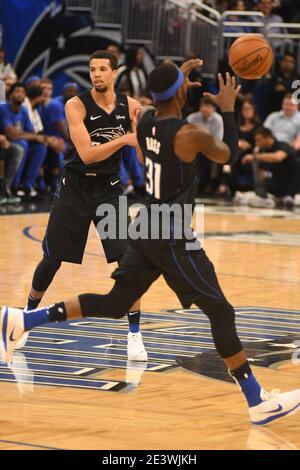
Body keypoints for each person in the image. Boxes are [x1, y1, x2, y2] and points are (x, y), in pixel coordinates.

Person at [2, 61, 300, 425]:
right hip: (171, 233)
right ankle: (256, 400)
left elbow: (163, 116)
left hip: (147, 224)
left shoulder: (144, 124)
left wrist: (177, 89)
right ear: (179, 93)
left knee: (116, 303)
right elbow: (229, 154)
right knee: (221, 312)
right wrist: (226, 107)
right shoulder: (190, 134)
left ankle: (23, 319)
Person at [18, 50, 147, 362]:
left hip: (109, 190)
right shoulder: (75, 105)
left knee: (128, 263)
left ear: (115, 72)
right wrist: (125, 139)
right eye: (92, 69)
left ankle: (134, 335)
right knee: (51, 259)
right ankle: (24, 320)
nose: (97, 74)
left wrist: (142, 142)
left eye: (103, 69)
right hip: (75, 186)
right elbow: (88, 154)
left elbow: (142, 152)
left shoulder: (131, 107)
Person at [242, 126, 297, 207]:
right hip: (277, 182)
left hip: (292, 183)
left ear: (268, 138)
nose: (257, 143)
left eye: (259, 140)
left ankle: (288, 197)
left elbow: (278, 157)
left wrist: (254, 157)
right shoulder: (262, 151)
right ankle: (268, 199)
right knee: (260, 186)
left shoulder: (283, 145)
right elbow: (261, 175)